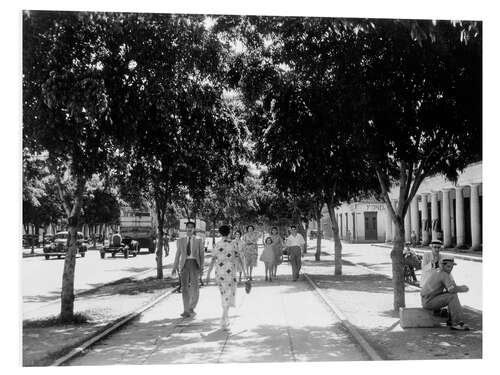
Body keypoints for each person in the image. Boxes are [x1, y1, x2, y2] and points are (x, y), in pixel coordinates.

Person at [206, 225, 248, 330]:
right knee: (229, 293)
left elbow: (212, 260)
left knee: (224, 294)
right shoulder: (234, 244)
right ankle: (224, 317)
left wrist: (207, 274)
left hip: (219, 272)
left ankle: (225, 317)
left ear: (220, 233)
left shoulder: (217, 245)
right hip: (231, 272)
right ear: (229, 233)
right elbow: (239, 259)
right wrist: (245, 273)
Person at [420, 256, 470, 331]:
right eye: (448, 266)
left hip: (426, 299)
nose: (450, 269)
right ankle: (456, 323)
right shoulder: (444, 274)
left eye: (452, 267)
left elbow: (451, 287)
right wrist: (462, 288)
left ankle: (451, 319)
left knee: (452, 294)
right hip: (428, 302)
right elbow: (452, 290)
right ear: (442, 266)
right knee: (452, 296)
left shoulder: (438, 271)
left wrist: (455, 287)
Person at [172, 221, 204, 318]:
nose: (189, 229)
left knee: (195, 287)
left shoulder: (199, 240)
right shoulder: (181, 240)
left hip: (194, 263)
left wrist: (201, 268)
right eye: (188, 227)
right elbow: (178, 255)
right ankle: (186, 310)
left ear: (194, 229)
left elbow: (201, 255)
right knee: (184, 288)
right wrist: (174, 267)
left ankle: (191, 307)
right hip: (184, 265)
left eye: (191, 227)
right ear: (186, 228)